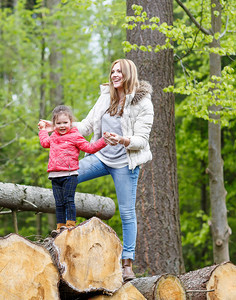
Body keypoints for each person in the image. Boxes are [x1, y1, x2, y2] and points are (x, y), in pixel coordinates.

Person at [39, 59, 154, 282]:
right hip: (100, 157)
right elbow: (87, 126)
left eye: (119, 71)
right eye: (112, 71)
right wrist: (56, 128)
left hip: (125, 163)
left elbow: (141, 140)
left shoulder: (143, 103)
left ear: (129, 73)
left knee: (127, 212)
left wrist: (122, 139)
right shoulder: (106, 96)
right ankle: (66, 229)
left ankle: (127, 263)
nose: (114, 75)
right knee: (66, 175)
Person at [38, 105, 107, 231]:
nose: (62, 126)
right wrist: (43, 130)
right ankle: (60, 227)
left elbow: (90, 148)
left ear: (71, 122)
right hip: (55, 175)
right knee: (59, 203)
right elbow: (44, 143)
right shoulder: (53, 136)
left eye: (65, 122)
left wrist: (104, 141)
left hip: (70, 175)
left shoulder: (75, 136)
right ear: (54, 124)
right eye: (58, 123)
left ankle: (70, 225)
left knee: (68, 200)